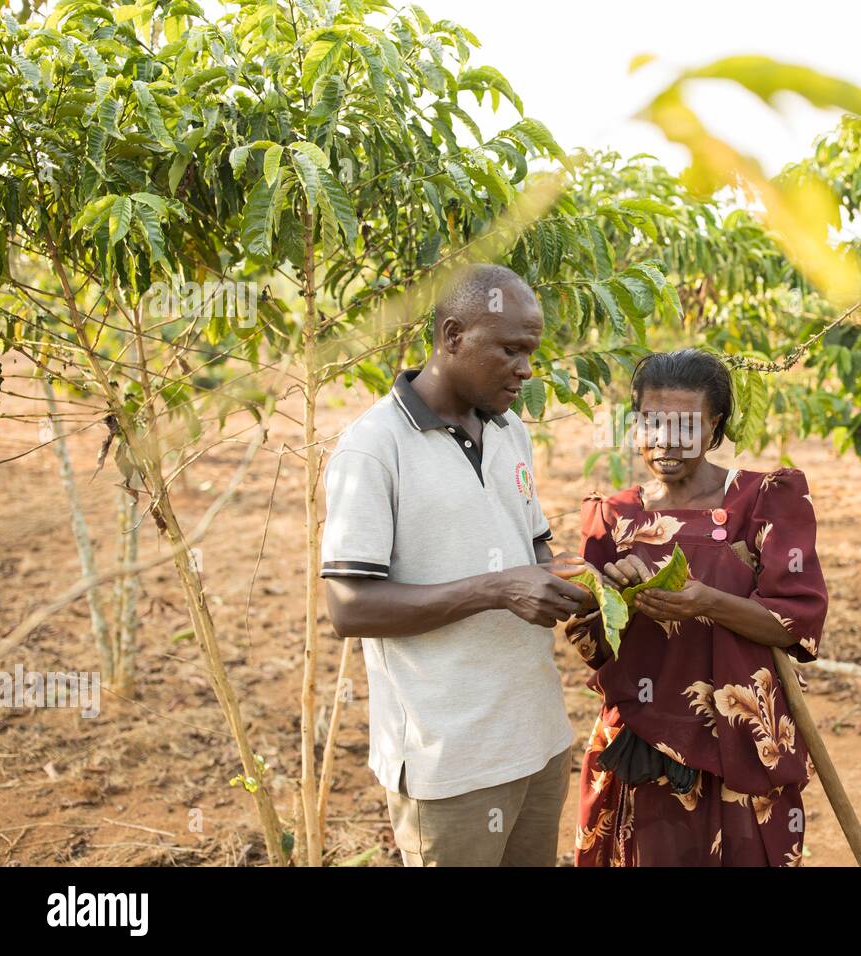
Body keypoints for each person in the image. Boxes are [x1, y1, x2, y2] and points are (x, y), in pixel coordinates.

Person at [320, 263, 592, 867]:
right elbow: (349, 607)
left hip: (537, 739)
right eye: (510, 350)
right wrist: (496, 590)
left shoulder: (509, 429)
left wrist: (594, 582)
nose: (526, 370)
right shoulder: (373, 449)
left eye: (532, 352)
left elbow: (535, 554)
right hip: (450, 761)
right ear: (452, 337)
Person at [566, 349, 829, 866]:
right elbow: (591, 644)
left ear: (715, 428)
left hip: (740, 737)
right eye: (652, 422)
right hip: (640, 739)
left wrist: (708, 602)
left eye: (686, 426)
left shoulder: (762, 500)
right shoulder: (613, 516)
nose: (666, 440)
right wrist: (615, 596)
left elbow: (797, 622)